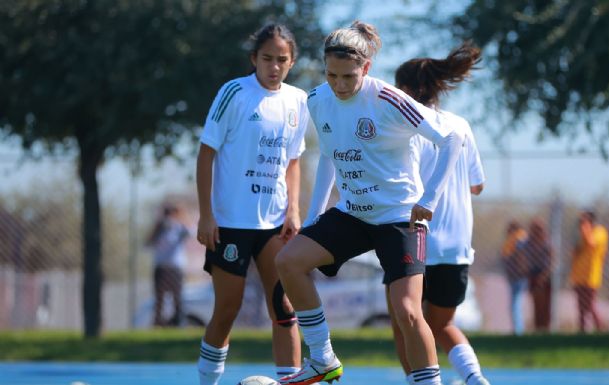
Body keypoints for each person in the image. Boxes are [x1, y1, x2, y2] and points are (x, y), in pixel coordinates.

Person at [275, 21, 466, 385]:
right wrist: (316, 213)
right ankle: (323, 358)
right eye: (332, 75)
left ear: (366, 68)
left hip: (399, 218)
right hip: (353, 215)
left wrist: (429, 198)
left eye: (348, 76)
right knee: (289, 261)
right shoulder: (317, 100)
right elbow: (329, 156)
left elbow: (451, 139)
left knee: (408, 311)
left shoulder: (389, 99)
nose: (339, 85)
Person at [194, 23, 309, 385]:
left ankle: (289, 380)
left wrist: (293, 209)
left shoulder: (298, 101)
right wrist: (206, 215)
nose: (274, 66)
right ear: (253, 59)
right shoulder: (233, 93)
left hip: (274, 224)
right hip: (230, 222)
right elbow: (205, 154)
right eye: (266, 58)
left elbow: (293, 161)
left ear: (291, 63)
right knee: (227, 309)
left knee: (284, 307)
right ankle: (208, 381)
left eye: (281, 60)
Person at [385, 44, 490, 385]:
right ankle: (475, 379)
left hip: (413, 240)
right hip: (457, 245)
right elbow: (478, 185)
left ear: (409, 92)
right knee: (442, 324)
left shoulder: (404, 129)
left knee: (406, 325)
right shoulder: (461, 125)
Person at [146, 203, 190, 327]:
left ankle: (178, 322)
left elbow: (191, 233)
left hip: (175, 268)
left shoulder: (180, 228)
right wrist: (158, 229)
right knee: (159, 298)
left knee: (177, 297)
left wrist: (180, 221)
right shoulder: (159, 229)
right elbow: (148, 244)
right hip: (161, 267)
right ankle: (158, 323)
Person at [569, 210, 609, 333]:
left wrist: (585, 228)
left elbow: (591, 243)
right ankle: (582, 333)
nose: (582, 224)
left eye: (585, 221)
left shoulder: (600, 232)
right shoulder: (582, 233)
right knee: (581, 308)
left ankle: (601, 330)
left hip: (591, 276)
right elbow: (575, 252)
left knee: (590, 305)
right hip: (578, 276)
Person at [520, 218, 553, 332]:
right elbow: (522, 257)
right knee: (536, 304)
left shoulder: (547, 243)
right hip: (533, 275)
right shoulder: (527, 243)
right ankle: (538, 328)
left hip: (545, 276)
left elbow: (552, 261)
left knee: (546, 306)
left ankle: (546, 328)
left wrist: (544, 276)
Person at [501, 220, 528, 335]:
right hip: (516, 276)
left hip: (518, 276)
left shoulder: (519, 239)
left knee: (515, 304)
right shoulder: (519, 239)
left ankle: (518, 330)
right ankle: (518, 329)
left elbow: (518, 257)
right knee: (516, 303)